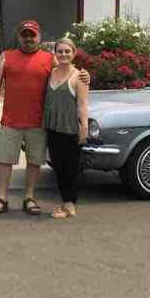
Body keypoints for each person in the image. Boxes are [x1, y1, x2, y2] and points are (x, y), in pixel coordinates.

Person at [0, 20, 55, 216]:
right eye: (25, 35)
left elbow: (67, 76)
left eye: (32, 35)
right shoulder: (6, 57)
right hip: (11, 120)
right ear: (19, 37)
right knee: (4, 160)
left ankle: (29, 198)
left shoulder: (50, 59)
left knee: (34, 161)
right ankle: (2, 198)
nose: (28, 39)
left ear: (39, 37)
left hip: (38, 121)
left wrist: (83, 76)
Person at [43, 38, 91, 219]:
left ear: (74, 53)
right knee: (58, 166)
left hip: (70, 128)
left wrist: (84, 126)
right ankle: (65, 203)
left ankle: (70, 206)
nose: (63, 54)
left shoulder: (79, 77)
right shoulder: (51, 73)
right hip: (53, 127)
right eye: (60, 51)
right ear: (55, 53)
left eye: (67, 51)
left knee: (69, 169)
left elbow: (83, 104)